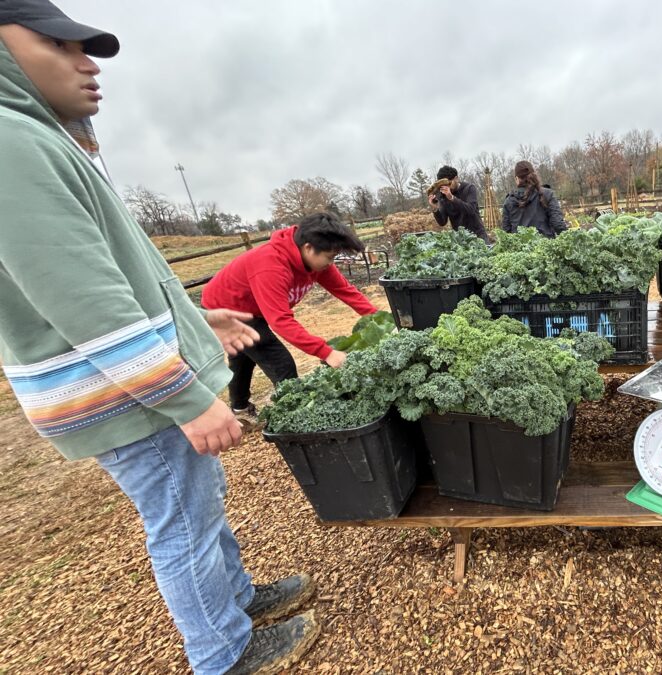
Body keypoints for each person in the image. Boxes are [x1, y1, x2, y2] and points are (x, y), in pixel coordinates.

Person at [0, 2, 320, 673]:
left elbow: (117, 274)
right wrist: (185, 398)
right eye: (60, 44)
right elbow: (84, 301)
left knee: (199, 503)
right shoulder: (9, 141)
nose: (88, 64)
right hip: (124, 396)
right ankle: (223, 653)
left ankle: (235, 601)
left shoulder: (38, 137)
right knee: (183, 520)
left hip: (130, 385)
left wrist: (199, 319)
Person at [201, 212, 378, 422]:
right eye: (330, 257)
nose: (331, 263)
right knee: (280, 363)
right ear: (308, 247)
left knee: (242, 358)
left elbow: (346, 291)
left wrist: (380, 318)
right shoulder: (271, 265)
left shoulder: (317, 262)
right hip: (228, 309)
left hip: (252, 307)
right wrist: (326, 352)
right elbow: (281, 320)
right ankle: (296, 417)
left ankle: (240, 410)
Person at [501, 160, 567, 238]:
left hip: (520, 249)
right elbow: (558, 224)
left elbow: (506, 232)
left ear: (516, 178)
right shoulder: (547, 194)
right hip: (546, 247)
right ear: (533, 175)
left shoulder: (509, 201)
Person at [428, 164, 491, 243]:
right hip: (460, 239)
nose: (447, 188)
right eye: (443, 186)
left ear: (456, 178)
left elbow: (471, 210)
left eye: (449, 184)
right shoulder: (443, 196)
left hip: (477, 235)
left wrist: (452, 198)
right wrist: (435, 208)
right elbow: (442, 222)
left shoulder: (469, 188)